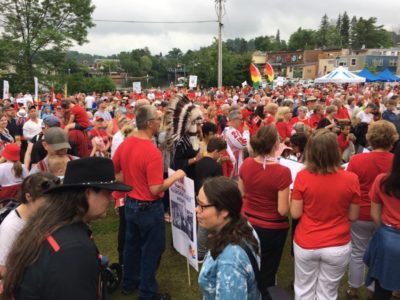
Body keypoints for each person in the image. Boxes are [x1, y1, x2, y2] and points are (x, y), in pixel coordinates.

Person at [2, 157, 131, 299]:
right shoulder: (73, 248)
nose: (112, 198)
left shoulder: (52, 223)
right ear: (88, 193)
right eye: (107, 192)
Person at [113, 104, 186, 300]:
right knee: (152, 250)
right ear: (149, 123)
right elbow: (156, 188)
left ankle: (129, 283)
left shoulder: (125, 143)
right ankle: (147, 292)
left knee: (132, 246)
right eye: (157, 120)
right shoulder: (151, 152)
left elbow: (116, 171)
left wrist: (130, 180)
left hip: (130, 204)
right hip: (148, 207)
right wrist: (176, 176)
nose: (159, 124)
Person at [290, 129, 360, 300]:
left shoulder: (303, 176)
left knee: (304, 290)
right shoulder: (351, 178)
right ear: (336, 150)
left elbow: (295, 213)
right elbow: (353, 215)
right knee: (327, 293)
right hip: (337, 244)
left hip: (307, 242)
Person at [346, 120, 398, 299]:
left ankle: (354, 288)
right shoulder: (394, 161)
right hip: (385, 216)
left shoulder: (357, 159)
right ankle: (374, 289)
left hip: (361, 213)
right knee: (380, 255)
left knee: (358, 252)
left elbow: (350, 187)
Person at [239, 125, 291, 294]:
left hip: (247, 222)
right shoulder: (282, 172)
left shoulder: (246, 164)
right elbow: (283, 210)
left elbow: (241, 193)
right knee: (267, 271)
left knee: (249, 264)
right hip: (271, 228)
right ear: (276, 144)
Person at [197, 176, 261, 300]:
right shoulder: (245, 225)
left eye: (202, 206)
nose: (197, 209)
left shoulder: (229, 263)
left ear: (224, 211)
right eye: (197, 202)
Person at [0, 173, 60, 279]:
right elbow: (3, 269)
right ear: (28, 197)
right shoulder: (11, 227)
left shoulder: (40, 215)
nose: (53, 205)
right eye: (47, 200)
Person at [364, 143, 400, 300]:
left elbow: (375, 214)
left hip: (387, 241)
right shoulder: (383, 181)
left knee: (381, 290)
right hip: (388, 237)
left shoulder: (382, 181)